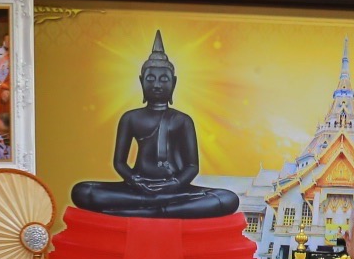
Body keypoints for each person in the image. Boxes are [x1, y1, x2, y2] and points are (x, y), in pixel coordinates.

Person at [69, 30, 241, 218]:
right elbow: (119, 162)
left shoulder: (183, 120)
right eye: (150, 79)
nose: (157, 85)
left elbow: (192, 166)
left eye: (164, 79)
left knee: (227, 199)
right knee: (82, 191)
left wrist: (175, 184)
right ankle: (159, 207)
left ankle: (147, 209)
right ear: (141, 81)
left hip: (175, 188)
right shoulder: (130, 118)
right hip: (138, 187)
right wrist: (134, 181)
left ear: (174, 83)